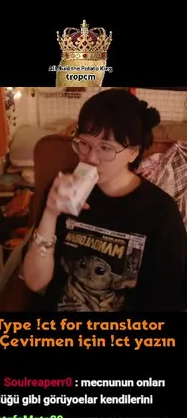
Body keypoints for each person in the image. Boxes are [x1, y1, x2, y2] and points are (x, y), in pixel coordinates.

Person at [21, 89, 186, 311]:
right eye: (84, 143)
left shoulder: (161, 212)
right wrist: (50, 214)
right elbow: (35, 282)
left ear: (133, 152)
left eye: (106, 148)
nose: (90, 158)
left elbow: (165, 299)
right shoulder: (62, 190)